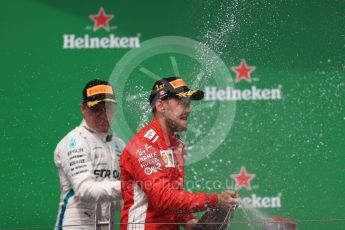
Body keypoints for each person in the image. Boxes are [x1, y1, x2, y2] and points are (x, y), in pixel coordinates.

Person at [120, 76, 238, 230]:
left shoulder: (177, 145)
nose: (188, 109)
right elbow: (163, 198)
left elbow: (174, 196)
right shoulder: (143, 144)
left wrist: (189, 221)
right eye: (182, 103)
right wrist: (215, 200)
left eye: (188, 103)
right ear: (161, 106)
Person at [54, 79, 125, 229]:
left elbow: (122, 202)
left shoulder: (119, 144)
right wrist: (127, 187)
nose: (103, 114)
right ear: (83, 108)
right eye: (96, 109)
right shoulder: (74, 141)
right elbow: (84, 190)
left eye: (107, 108)